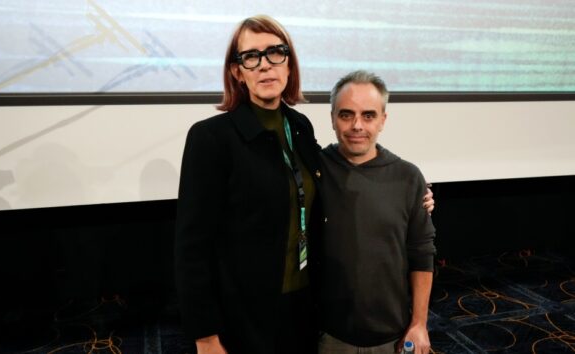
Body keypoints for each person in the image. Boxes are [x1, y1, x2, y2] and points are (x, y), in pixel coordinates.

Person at [174, 15, 435, 354]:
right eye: (251, 57)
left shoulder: (299, 127)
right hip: (244, 312)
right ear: (237, 71)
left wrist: (417, 196)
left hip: (302, 308)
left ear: (289, 64)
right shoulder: (212, 138)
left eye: (275, 53)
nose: (265, 65)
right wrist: (206, 337)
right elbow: (192, 248)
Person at [316, 70, 436, 354]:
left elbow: (422, 254)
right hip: (325, 335)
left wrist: (419, 323)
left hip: (392, 335)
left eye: (368, 116)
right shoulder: (312, 170)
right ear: (332, 117)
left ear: (383, 119)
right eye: (346, 115)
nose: (357, 125)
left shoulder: (408, 177)